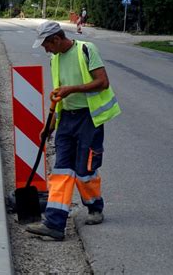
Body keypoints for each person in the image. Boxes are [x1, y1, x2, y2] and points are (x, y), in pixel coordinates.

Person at [26, 21, 121, 241]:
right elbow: (59, 96)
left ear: (57, 40)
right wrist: (48, 127)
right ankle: (54, 224)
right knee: (61, 171)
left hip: (89, 118)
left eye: (46, 45)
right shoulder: (55, 59)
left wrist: (73, 89)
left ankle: (95, 207)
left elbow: (103, 83)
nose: (45, 49)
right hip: (66, 120)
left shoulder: (86, 50)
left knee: (84, 170)